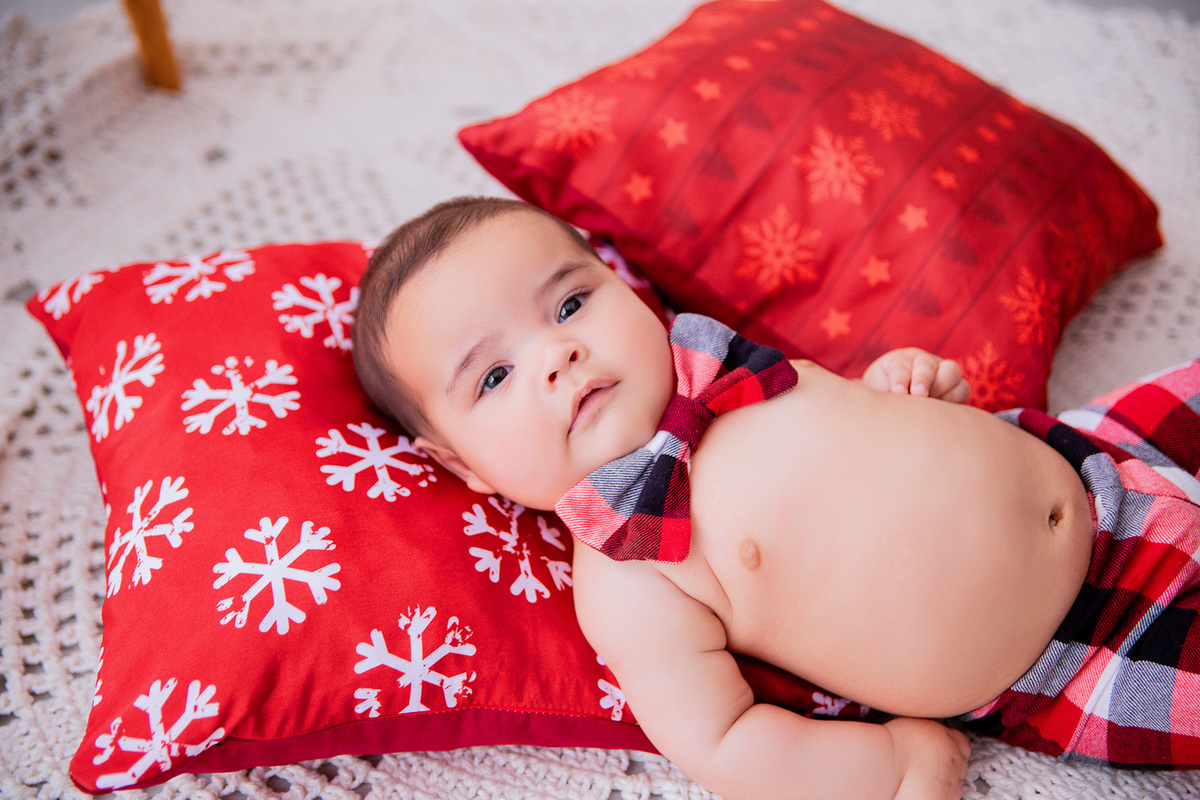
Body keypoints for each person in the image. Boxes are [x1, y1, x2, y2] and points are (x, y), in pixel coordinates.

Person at [353, 196, 1200, 800]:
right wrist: (894, 769)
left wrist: (909, 385)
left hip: (1090, 453)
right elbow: (724, 743)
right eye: (494, 375)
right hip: (1086, 654)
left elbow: (866, 431)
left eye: (571, 301)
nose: (558, 353)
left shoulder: (720, 366)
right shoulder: (631, 580)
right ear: (466, 468)